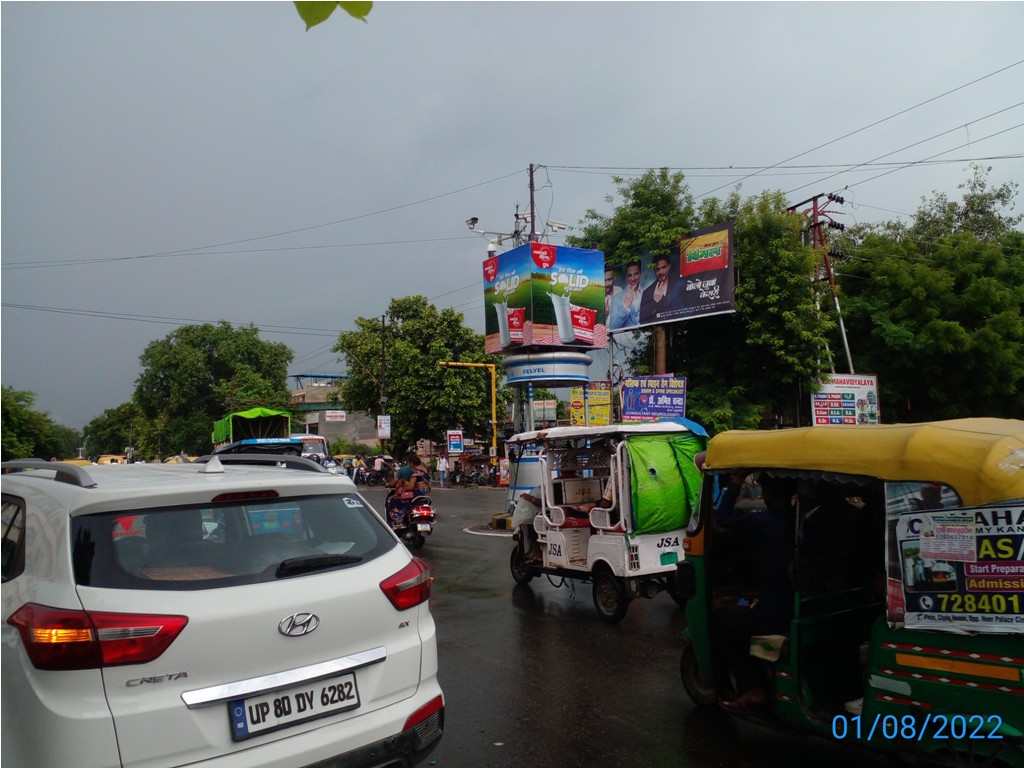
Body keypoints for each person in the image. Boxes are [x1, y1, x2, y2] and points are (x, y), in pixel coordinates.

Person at [712, 474, 797, 711]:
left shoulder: (767, 521)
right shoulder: (798, 520)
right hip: (795, 606)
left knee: (719, 620)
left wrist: (736, 483)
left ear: (768, 494)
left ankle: (752, 688)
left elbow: (724, 518)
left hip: (773, 617)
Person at [639, 254, 682, 325]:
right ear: (654, 270)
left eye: (663, 267)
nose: (661, 272)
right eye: (657, 269)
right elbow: (642, 320)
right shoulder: (647, 292)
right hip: (657, 330)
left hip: (679, 327)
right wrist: (655, 302)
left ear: (669, 266)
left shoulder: (679, 285)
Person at [607, 260, 642, 330]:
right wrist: (625, 306)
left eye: (636, 274)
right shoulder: (616, 298)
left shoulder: (647, 292)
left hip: (647, 337)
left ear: (640, 274)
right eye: (629, 275)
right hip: (625, 339)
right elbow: (612, 327)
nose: (632, 278)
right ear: (626, 277)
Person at [513, 486, 544, 564]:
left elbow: (543, 503)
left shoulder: (553, 486)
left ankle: (538, 555)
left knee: (533, 527)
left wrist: (530, 498)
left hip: (553, 514)